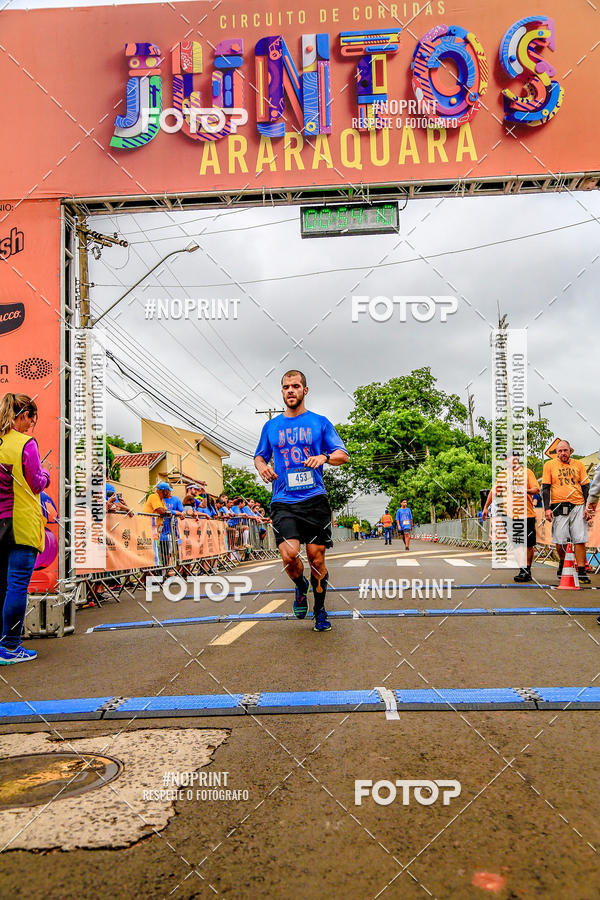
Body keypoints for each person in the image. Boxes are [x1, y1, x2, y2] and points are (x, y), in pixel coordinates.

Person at [254, 369, 349, 632]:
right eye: (286, 387)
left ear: (305, 390)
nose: (291, 391)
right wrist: (262, 467)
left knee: (316, 559)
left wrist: (324, 457)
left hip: (314, 499)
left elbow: (343, 454)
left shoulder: (320, 422)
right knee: (289, 555)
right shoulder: (271, 426)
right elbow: (259, 456)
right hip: (283, 500)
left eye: (295, 386)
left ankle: (320, 611)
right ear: (282, 391)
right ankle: (300, 585)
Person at [0, 393, 50, 664]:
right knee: (17, 586)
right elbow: (36, 482)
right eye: (32, 419)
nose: (32, 425)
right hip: (20, 523)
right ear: (23, 415)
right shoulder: (25, 444)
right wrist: (47, 474)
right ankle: (9, 646)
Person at [482, 452, 540, 582]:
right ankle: (523, 570)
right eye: (506, 458)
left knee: (528, 544)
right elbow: (493, 492)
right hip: (509, 515)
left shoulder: (527, 472)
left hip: (527, 514)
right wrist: (486, 507)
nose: (508, 461)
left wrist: (525, 490)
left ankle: (527, 569)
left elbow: (536, 489)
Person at [542, 440, 591, 583]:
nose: (563, 453)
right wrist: (547, 509)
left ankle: (581, 571)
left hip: (578, 504)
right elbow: (545, 488)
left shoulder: (579, 464)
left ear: (570, 451)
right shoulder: (549, 465)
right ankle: (563, 563)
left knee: (580, 539)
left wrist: (587, 506)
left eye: (565, 450)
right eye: (560, 451)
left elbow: (586, 486)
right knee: (560, 539)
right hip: (558, 505)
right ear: (557, 452)